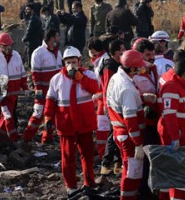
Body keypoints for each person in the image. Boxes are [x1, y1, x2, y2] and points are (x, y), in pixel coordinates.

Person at [44, 46, 99, 195]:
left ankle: (89, 182)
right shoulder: (57, 79)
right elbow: (51, 100)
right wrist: (48, 116)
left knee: (87, 155)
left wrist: (81, 79)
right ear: (64, 63)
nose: (71, 65)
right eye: (68, 62)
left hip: (84, 123)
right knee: (68, 157)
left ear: (80, 62)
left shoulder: (89, 75)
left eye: (74, 62)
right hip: (66, 123)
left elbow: (96, 89)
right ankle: (71, 187)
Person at [107, 50, 153, 200]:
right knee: (133, 173)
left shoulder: (117, 78)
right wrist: (138, 144)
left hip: (121, 133)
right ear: (132, 69)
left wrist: (140, 97)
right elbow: (130, 119)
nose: (142, 69)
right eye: (139, 67)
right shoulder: (126, 87)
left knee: (130, 170)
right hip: (129, 137)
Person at [157, 59, 185, 200]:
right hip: (175, 138)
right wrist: (174, 137)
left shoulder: (181, 87)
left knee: (170, 176)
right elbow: (169, 114)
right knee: (180, 177)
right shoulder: (172, 88)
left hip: (180, 137)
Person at [0, 33, 27, 143]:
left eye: (10, 45)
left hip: (14, 94)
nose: (9, 48)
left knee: (7, 115)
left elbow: (22, 73)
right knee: (8, 115)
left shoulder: (16, 56)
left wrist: (25, 86)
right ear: (0, 46)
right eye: (6, 46)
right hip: (1, 94)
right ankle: (14, 138)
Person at [99, 39, 125, 176]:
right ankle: (106, 163)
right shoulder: (109, 66)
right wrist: (109, 105)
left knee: (117, 133)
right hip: (111, 105)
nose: (124, 52)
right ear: (116, 53)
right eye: (122, 49)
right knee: (113, 134)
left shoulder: (115, 65)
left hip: (115, 105)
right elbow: (108, 88)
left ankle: (117, 163)